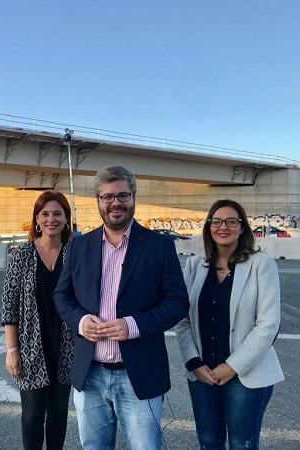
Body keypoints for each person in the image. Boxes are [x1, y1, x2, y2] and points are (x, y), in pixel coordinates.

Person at [54, 166, 189, 450]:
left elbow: (178, 303)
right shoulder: (80, 246)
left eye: (122, 195)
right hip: (90, 374)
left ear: (133, 196)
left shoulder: (159, 246)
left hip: (138, 374)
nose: (115, 203)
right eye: (107, 197)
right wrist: (80, 322)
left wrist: (134, 325)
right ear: (98, 201)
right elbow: (62, 297)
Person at [175, 199, 283, 450]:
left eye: (231, 221)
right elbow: (183, 320)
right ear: (209, 227)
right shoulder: (195, 265)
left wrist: (231, 366)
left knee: (241, 444)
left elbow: (268, 324)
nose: (223, 227)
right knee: (209, 442)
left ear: (242, 227)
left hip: (245, 375)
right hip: (202, 373)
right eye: (217, 221)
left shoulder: (261, 265)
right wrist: (194, 363)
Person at [1, 190, 75, 450]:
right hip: (31, 349)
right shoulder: (21, 255)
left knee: (59, 415)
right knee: (32, 416)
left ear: (66, 219)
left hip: (67, 348)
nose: (51, 219)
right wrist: (12, 350)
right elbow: (9, 306)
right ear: (36, 219)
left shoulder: (75, 254)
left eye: (57, 213)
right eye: (45, 213)